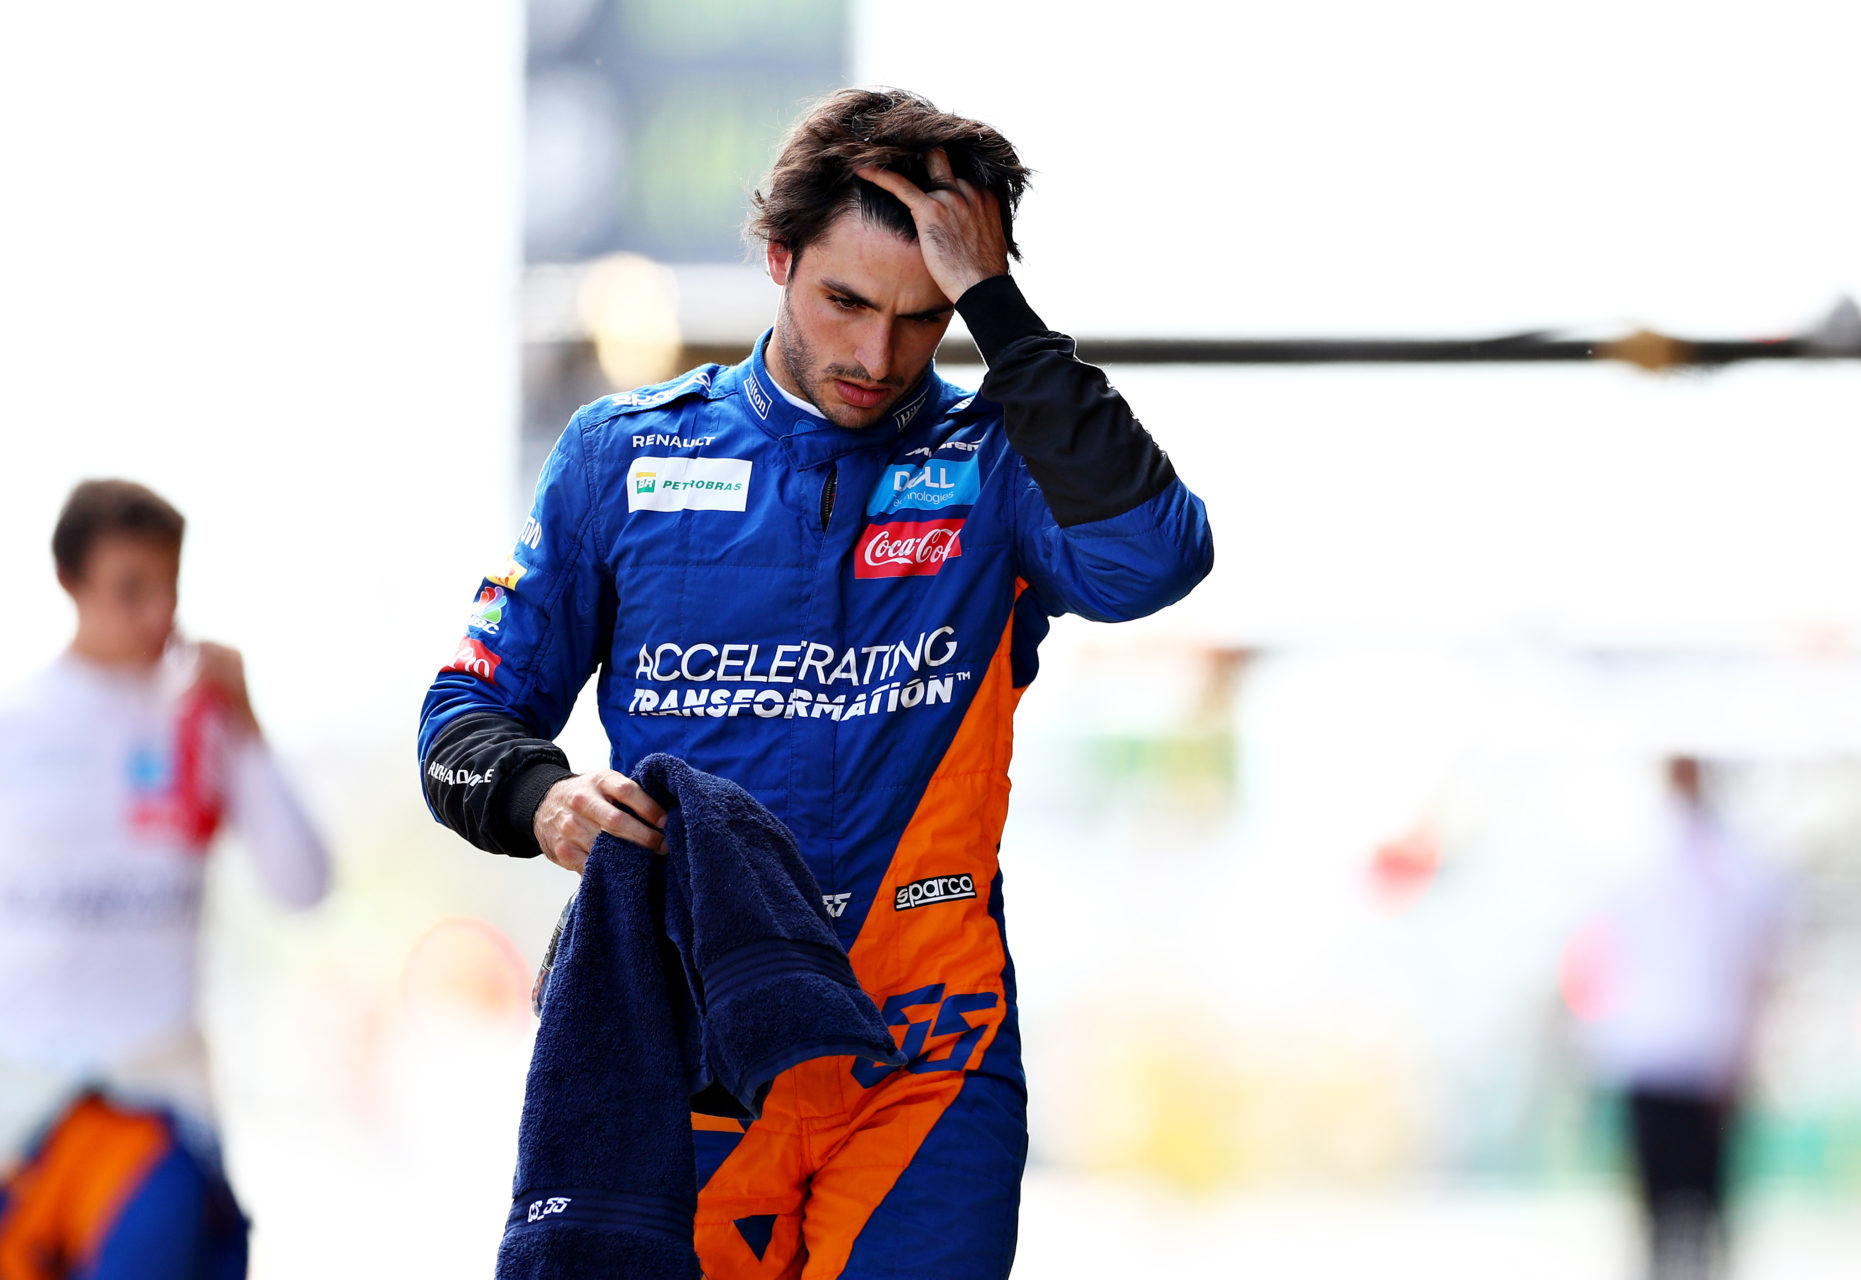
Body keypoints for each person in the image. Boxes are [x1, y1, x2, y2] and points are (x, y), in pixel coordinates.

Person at [419, 88, 1213, 1279]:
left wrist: (998, 309)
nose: (878, 355)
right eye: (845, 300)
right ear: (778, 257)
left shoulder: (998, 461)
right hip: (688, 1053)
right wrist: (542, 797)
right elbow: (462, 721)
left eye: (924, 315)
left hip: (926, 1054)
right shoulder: (621, 454)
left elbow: (1155, 556)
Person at [0, 480, 331, 1280]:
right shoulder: (17, 726)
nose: (156, 615)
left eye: (167, 587)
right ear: (68, 583)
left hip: (158, 1097)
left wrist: (246, 725)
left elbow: (304, 884)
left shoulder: (204, 722)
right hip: (20, 1108)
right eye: (129, 590)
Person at [1572, 756, 1790, 1280]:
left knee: (1698, 1221)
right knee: (1668, 1223)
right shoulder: (1641, 860)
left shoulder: (1735, 868)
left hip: (1701, 1059)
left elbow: (1756, 969)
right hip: (1663, 1056)